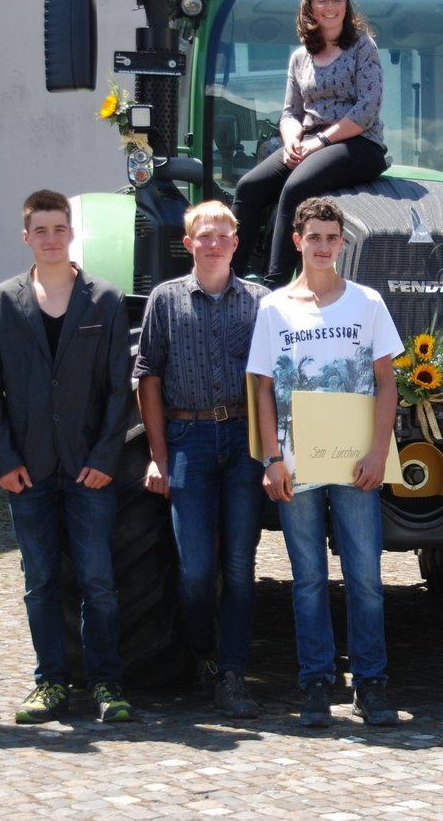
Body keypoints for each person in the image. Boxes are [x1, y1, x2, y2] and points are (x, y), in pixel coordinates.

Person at [0, 190, 134, 725]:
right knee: (40, 581)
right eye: (40, 231)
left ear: (71, 234)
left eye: (58, 229)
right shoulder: (0, 303)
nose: (50, 239)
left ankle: (108, 684)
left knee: (98, 582)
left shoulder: (105, 300)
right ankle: (49, 682)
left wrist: (107, 455)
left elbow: (120, 389)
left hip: (91, 467)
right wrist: (3, 460)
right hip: (28, 468)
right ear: (26, 237)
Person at [247, 196, 402, 728]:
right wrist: (272, 457)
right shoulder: (274, 307)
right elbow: (263, 390)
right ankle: (315, 682)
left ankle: (372, 683)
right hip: (297, 464)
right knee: (308, 577)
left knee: (365, 576)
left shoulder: (367, 303)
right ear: (297, 241)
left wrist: (380, 452)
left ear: (342, 243)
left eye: (331, 237)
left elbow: (387, 383)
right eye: (313, 236)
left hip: (357, 462)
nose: (322, 245)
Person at [135, 201, 269, 718]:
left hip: (242, 439)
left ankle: (233, 673)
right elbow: (147, 377)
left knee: (239, 564)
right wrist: (157, 456)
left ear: (236, 243)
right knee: (195, 569)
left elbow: (273, 378)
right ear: (188, 243)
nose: (213, 244)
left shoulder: (260, 301)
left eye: (222, 236)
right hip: (187, 433)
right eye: (202, 236)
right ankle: (203, 651)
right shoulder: (165, 301)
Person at [231, 0, 387, 287]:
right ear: (310, 6)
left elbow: (367, 110)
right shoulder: (300, 57)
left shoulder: (363, 47)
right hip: (312, 141)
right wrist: (291, 142)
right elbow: (290, 113)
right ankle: (228, 278)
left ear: (347, 4)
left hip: (358, 143)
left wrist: (320, 142)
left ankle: (274, 285)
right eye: (322, 0)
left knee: (296, 187)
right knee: (249, 186)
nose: (330, 7)